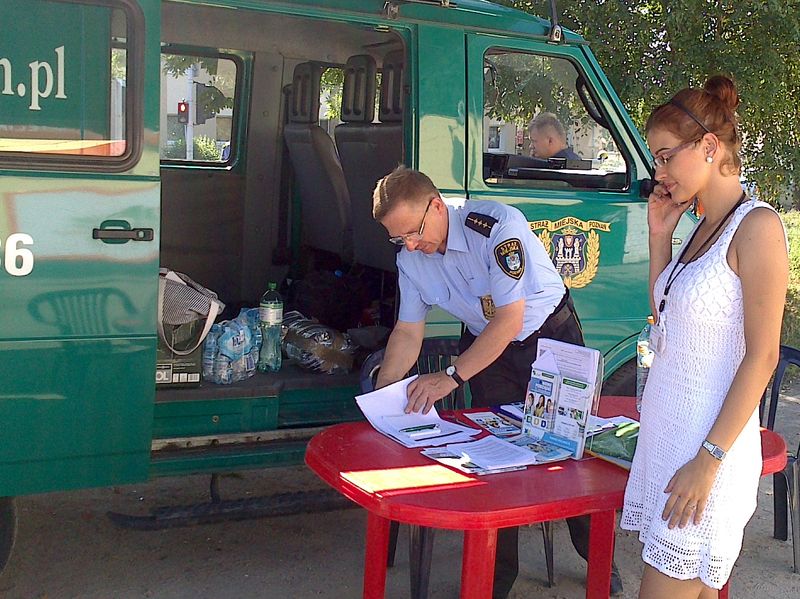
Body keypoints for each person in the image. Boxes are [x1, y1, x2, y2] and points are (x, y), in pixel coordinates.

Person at [372, 165, 623, 598]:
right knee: (494, 461)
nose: (411, 245)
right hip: (486, 346)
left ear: (436, 206)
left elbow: (511, 318)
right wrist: (383, 400)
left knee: (570, 449)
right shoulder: (410, 259)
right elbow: (408, 333)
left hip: (547, 336)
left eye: (413, 231)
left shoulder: (495, 228)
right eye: (399, 239)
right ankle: (495, 576)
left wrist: (450, 377)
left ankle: (596, 554)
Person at [621, 75, 788, 599]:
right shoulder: (702, 227)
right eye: (656, 159)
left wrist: (708, 460)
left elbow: (762, 357)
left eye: (666, 156)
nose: (659, 172)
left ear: (710, 147)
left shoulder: (756, 227)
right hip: (670, 441)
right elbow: (666, 315)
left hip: (706, 455)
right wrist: (658, 237)